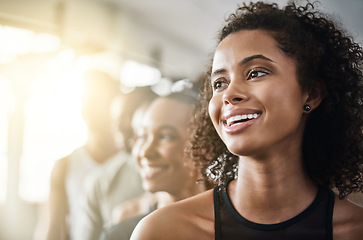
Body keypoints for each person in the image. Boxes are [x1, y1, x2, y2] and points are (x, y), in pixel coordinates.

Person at [130, 2, 363, 240]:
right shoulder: (163, 231)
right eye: (219, 83)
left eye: (256, 73)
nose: (229, 94)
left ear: (311, 93)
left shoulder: (356, 231)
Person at [99, 80, 210, 240]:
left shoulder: (233, 227)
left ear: (204, 146)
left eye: (165, 136)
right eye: (143, 136)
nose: (145, 151)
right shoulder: (121, 233)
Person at [46, 70, 144, 240]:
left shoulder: (141, 164)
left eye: (99, 101)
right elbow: (53, 230)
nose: (90, 107)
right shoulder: (64, 166)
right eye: (87, 100)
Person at [73, 86, 158, 240]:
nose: (118, 126)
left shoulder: (183, 173)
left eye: (128, 116)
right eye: (115, 118)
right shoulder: (100, 181)